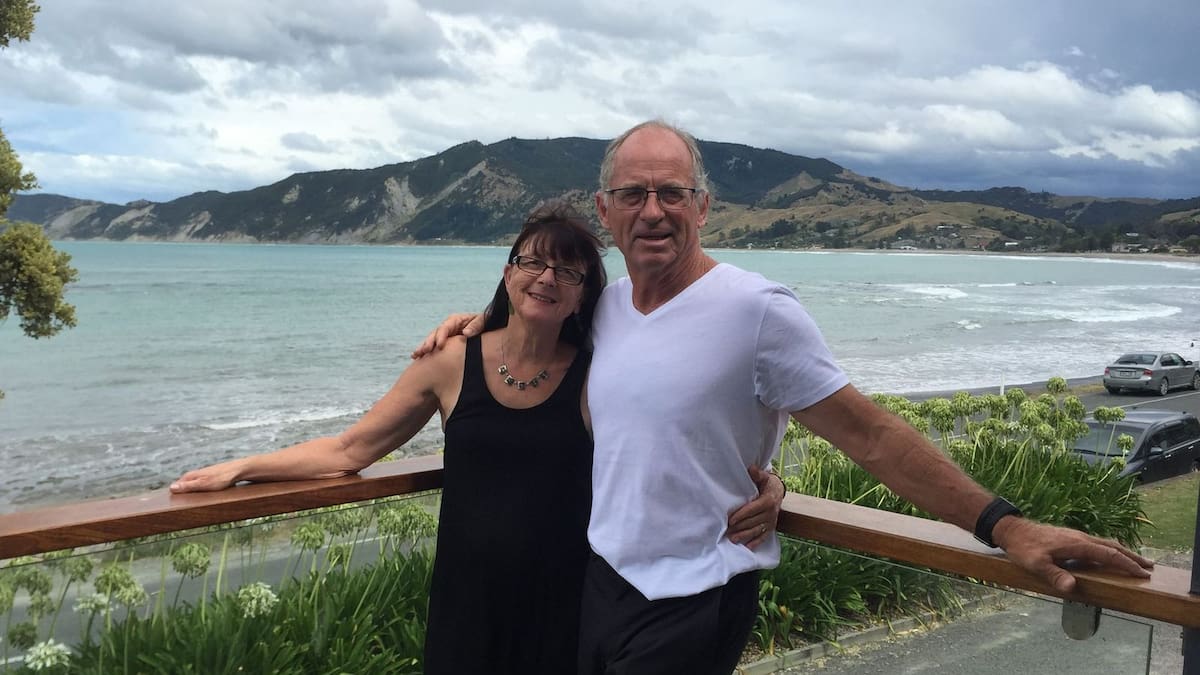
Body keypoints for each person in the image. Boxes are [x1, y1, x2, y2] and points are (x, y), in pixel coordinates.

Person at [416, 120, 1155, 675]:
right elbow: (544, 338)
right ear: (606, 213)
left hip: (696, 593)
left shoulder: (757, 311)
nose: (653, 210)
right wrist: (475, 326)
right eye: (634, 194)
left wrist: (1005, 525)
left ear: (704, 207)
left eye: (672, 193)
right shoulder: (604, 310)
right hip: (601, 582)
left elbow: (869, 434)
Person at [169, 201, 782, 674]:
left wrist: (765, 484)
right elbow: (350, 450)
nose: (547, 277)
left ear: (582, 297)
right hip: (466, 602)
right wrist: (243, 467)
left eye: (567, 271)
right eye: (532, 262)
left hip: (566, 600)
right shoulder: (448, 363)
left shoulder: (598, 375)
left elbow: (674, 445)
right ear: (508, 273)